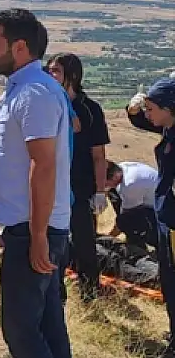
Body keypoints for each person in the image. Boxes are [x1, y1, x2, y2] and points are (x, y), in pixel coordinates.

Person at [0, 9, 74, 358]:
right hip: (33, 226)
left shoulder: (34, 92)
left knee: (19, 331)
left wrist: (36, 235)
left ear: (19, 48)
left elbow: (43, 165)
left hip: (35, 231)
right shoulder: (26, 88)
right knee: (48, 326)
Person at [45, 53, 110, 302]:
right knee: (54, 241)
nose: (51, 75)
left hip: (81, 188)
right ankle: (55, 292)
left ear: (71, 76)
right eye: (49, 70)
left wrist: (101, 191)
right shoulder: (48, 105)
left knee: (84, 242)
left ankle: (90, 294)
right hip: (51, 184)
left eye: (56, 71)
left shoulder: (90, 111)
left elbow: (98, 155)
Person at [126, 79, 175, 358]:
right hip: (166, 216)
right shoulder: (168, 126)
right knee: (168, 278)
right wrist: (133, 110)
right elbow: (144, 122)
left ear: (170, 109)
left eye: (151, 108)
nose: (148, 113)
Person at [102, 161, 160, 247]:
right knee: (113, 193)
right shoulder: (122, 167)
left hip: (158, 212)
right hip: (151, 199)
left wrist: (109, 237)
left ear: (114, 177)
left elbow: (125, 215)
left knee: (124, 221)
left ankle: (137, 243)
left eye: (105, 183)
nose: (104, 186)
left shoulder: (130, 185)